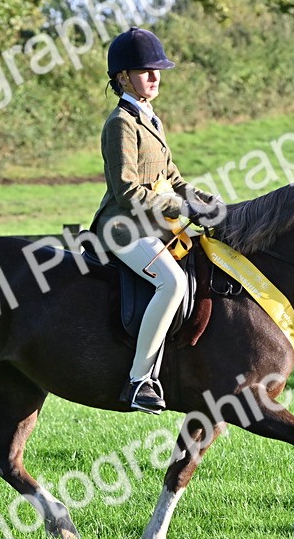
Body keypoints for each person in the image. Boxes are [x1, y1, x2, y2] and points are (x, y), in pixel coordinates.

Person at [89, 27, 221, 413]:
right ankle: (139, 380)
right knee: (172, 281)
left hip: (151, 225)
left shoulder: (152, 120)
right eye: (145, 70)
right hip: (122, 227)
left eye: (157, 69)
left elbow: (173, 179)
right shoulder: (121, 124)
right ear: (122, 78)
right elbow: (127, 190)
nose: (154, 76)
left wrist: (205, 202)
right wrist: (180, 208)